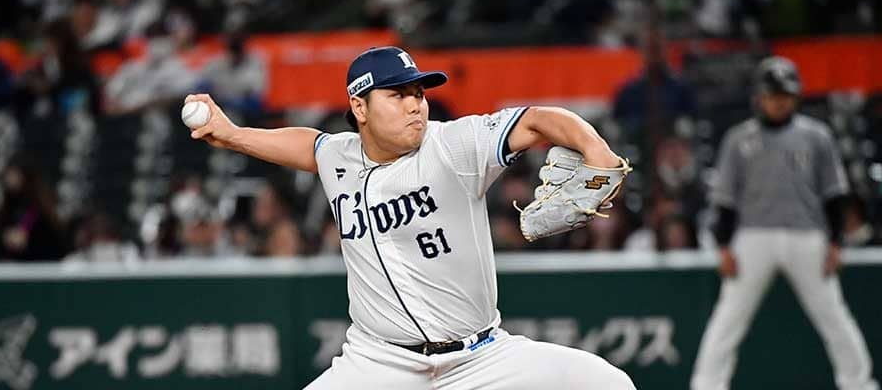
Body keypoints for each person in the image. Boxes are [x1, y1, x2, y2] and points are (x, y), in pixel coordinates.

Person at [186, 46, 635, 389]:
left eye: (418, 93)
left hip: (480, 359)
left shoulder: (454, 145)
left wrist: (596, 149)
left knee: (608, 384)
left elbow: (537, 120)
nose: (415, 104)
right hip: (379, 364)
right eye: (397, 94)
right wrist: (233, 135)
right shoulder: (340, 157)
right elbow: (309, 145)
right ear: (360, 107)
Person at [690, 56, 878, 390]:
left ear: (796, 96)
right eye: (772, 94)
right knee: (729, 318)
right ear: (758, 97)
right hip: (752, 236)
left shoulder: (817, 136)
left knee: (833, 316)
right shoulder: (738, 139)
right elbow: (725, 200)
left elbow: (834, 194)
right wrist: (724, 246)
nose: (778, 101)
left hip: (808, 235)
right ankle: (707, 385)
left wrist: (836, 242)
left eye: (784, 94)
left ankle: (859, 384)